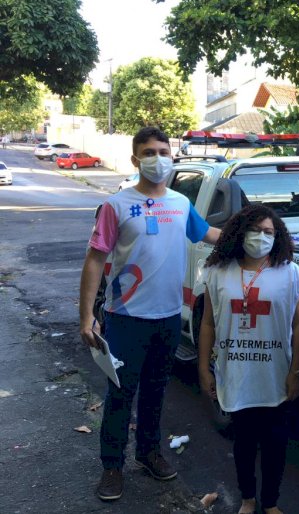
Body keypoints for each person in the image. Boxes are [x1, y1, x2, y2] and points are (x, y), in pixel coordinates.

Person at [79, 126, 221, 501]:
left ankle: (148, 452)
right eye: (149, 152)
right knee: (120, 394)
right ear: (134, 159)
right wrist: (85, 317)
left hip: (169, 318)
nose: (157, 158)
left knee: (156, 393)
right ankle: (112, 466)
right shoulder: (116, 205)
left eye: (163, 151)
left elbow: (208, 235)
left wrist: (259, 232)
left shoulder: (180, 203)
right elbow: (95, 261)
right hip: (125, 319)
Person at [198, 204, 299, 514]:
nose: (261, 237)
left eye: (268, 232)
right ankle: (248, 499)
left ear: (278, 237)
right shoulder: (218, 271)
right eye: (255, 230)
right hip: (236, 373)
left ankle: (270, 503)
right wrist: (203, 367)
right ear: (239, 232)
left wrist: (296, 372)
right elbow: (207, 322)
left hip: (275, 375)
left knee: (275, 443)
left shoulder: (289, 272)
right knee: (243, 442)